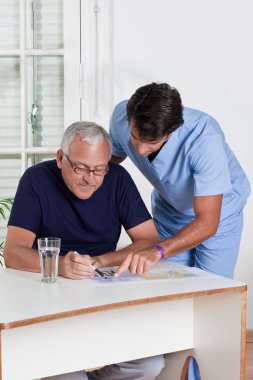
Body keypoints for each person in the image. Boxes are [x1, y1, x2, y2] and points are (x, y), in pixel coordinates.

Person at [4, 121, 164, 380]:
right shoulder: (36, 180)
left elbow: (149, 240)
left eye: (99, 169)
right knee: (69, 376)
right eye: (81, 168)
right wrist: (60, 264)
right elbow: (13, 252)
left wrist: (103, 260)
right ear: (60, 158)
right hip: (47, 295)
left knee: (150, 364)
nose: (90, 178)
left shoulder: (118, 179)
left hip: (101, 293)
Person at [110, 82, 251, 279]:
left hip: (219, 215)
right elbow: (108, 163)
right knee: (166, 282)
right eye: (135, 137)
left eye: (152, 143)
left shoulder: (204, 138)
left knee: (211, 287)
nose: (140, 150)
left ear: (171, 131)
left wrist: (157, 250)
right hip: (171, 212)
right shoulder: (120, 118)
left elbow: (208, 223)